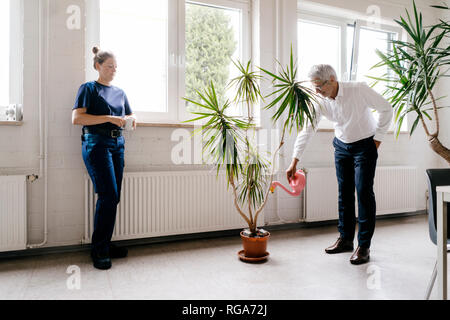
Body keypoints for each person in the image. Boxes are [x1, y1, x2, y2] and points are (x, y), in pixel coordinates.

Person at [286, 64, 393, 265]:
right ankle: (345, 239)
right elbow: (308, 129)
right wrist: (294, 161)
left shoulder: (358, 89)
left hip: (365, 145)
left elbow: (386, 108)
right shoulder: (321, 100)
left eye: (320, 87)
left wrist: (377, 139)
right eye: (314, 88)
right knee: (344, 193)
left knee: (363, 192)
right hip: (341, 146)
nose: (318, 92)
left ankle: (364, 246)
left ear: (333, 80)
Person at [72, 46, 136, 270]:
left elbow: (128, 113)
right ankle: (99, 250)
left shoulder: (120, 92)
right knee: (108, 195)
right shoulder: (88, 88)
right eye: (109, 66)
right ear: (97, 66)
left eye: (115, 67)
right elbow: (77, 118)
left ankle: (104, 245)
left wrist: (132, 116)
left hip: (118, 145)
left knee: (113, 197)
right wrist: (108, 117)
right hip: (96, 144)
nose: (113, 70)